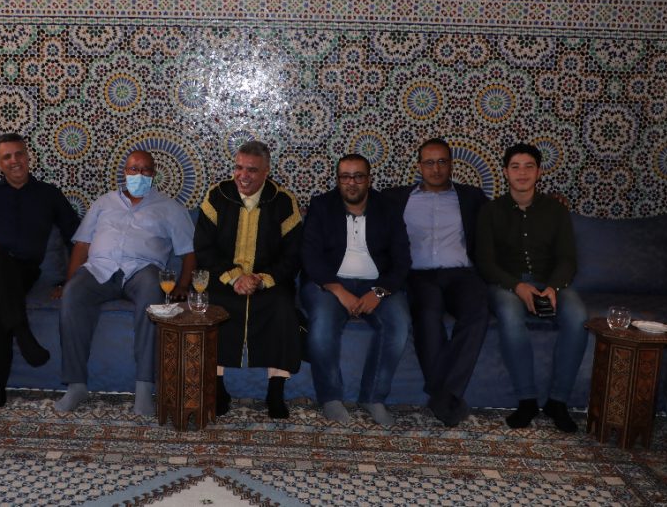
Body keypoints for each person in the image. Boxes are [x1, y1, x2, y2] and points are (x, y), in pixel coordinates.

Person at [54, 150, 196, 416]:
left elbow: (189, 251)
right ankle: (76, 385)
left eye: (145, 170)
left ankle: (144, 389)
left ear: (153, 174)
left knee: (153, 291)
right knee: (73, 294)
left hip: (142, 271)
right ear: (124, 172)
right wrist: (67, 283)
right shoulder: (103, 203)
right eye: (133, 169)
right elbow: (82, 244)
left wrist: (182, 285)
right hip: (100, 269)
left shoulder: (170, 208)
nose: (138, 175)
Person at [0, 133, 80, 409]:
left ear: (28, 156)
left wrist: (69, 280)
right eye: (7, 157)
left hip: (22, 272)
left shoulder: (49, 195)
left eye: (18, 154)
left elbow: (77, 237)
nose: (14, 161)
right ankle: (23, 335)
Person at [476, 143, 587, 433]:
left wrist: (553, 288)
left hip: (550, 282)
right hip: (506, 284)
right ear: (505, 172)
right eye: (515, 167)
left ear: (539, 172)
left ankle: (558, 401)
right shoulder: (490, 211)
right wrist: (518, 286)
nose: (522, 173)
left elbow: (568, 258)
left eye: (529, 167)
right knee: (510, 315)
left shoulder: (556, 211)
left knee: (578, 316)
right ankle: (527, 399)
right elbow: (485, 263)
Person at [383, 139, 489, 427]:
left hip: (460, 275)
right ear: (419, 166)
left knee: (478, 311)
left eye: (442, 161)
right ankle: (447, 398)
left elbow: (504, 216)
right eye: (429, 162)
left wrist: (548, 201)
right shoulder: (395, 198)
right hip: (418, 274)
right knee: (427, 314)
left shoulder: (472, 197)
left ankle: (442, 393)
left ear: (451, 164)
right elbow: (355, 200)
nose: (436, 168)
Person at [194, 141, 303, 419]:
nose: (243, 176)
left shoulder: (283, 201)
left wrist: (261, 280)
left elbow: (293, 255)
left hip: (268, 282)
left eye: (252, 170)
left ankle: (275, 391)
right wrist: (234, 278)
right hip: (224, 279)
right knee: (210, 307)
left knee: (282, 308)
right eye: (239, 167)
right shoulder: (217, 196)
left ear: (266, 171)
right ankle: (218, 389)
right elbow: (204, 249)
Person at [301, 154, 412, 425]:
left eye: (358, 176)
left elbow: (402, 260)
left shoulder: (388, 208)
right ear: (338, 180)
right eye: (345, 177)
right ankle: (330, 397)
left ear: (369, 179)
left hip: (376, 283)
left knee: (398, 324)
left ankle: (373, 397)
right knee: (322, 324)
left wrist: (380, 292)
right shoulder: (321, 206)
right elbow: (309, 256)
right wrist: (338, 290)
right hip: (329, 283)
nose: (352, 183)